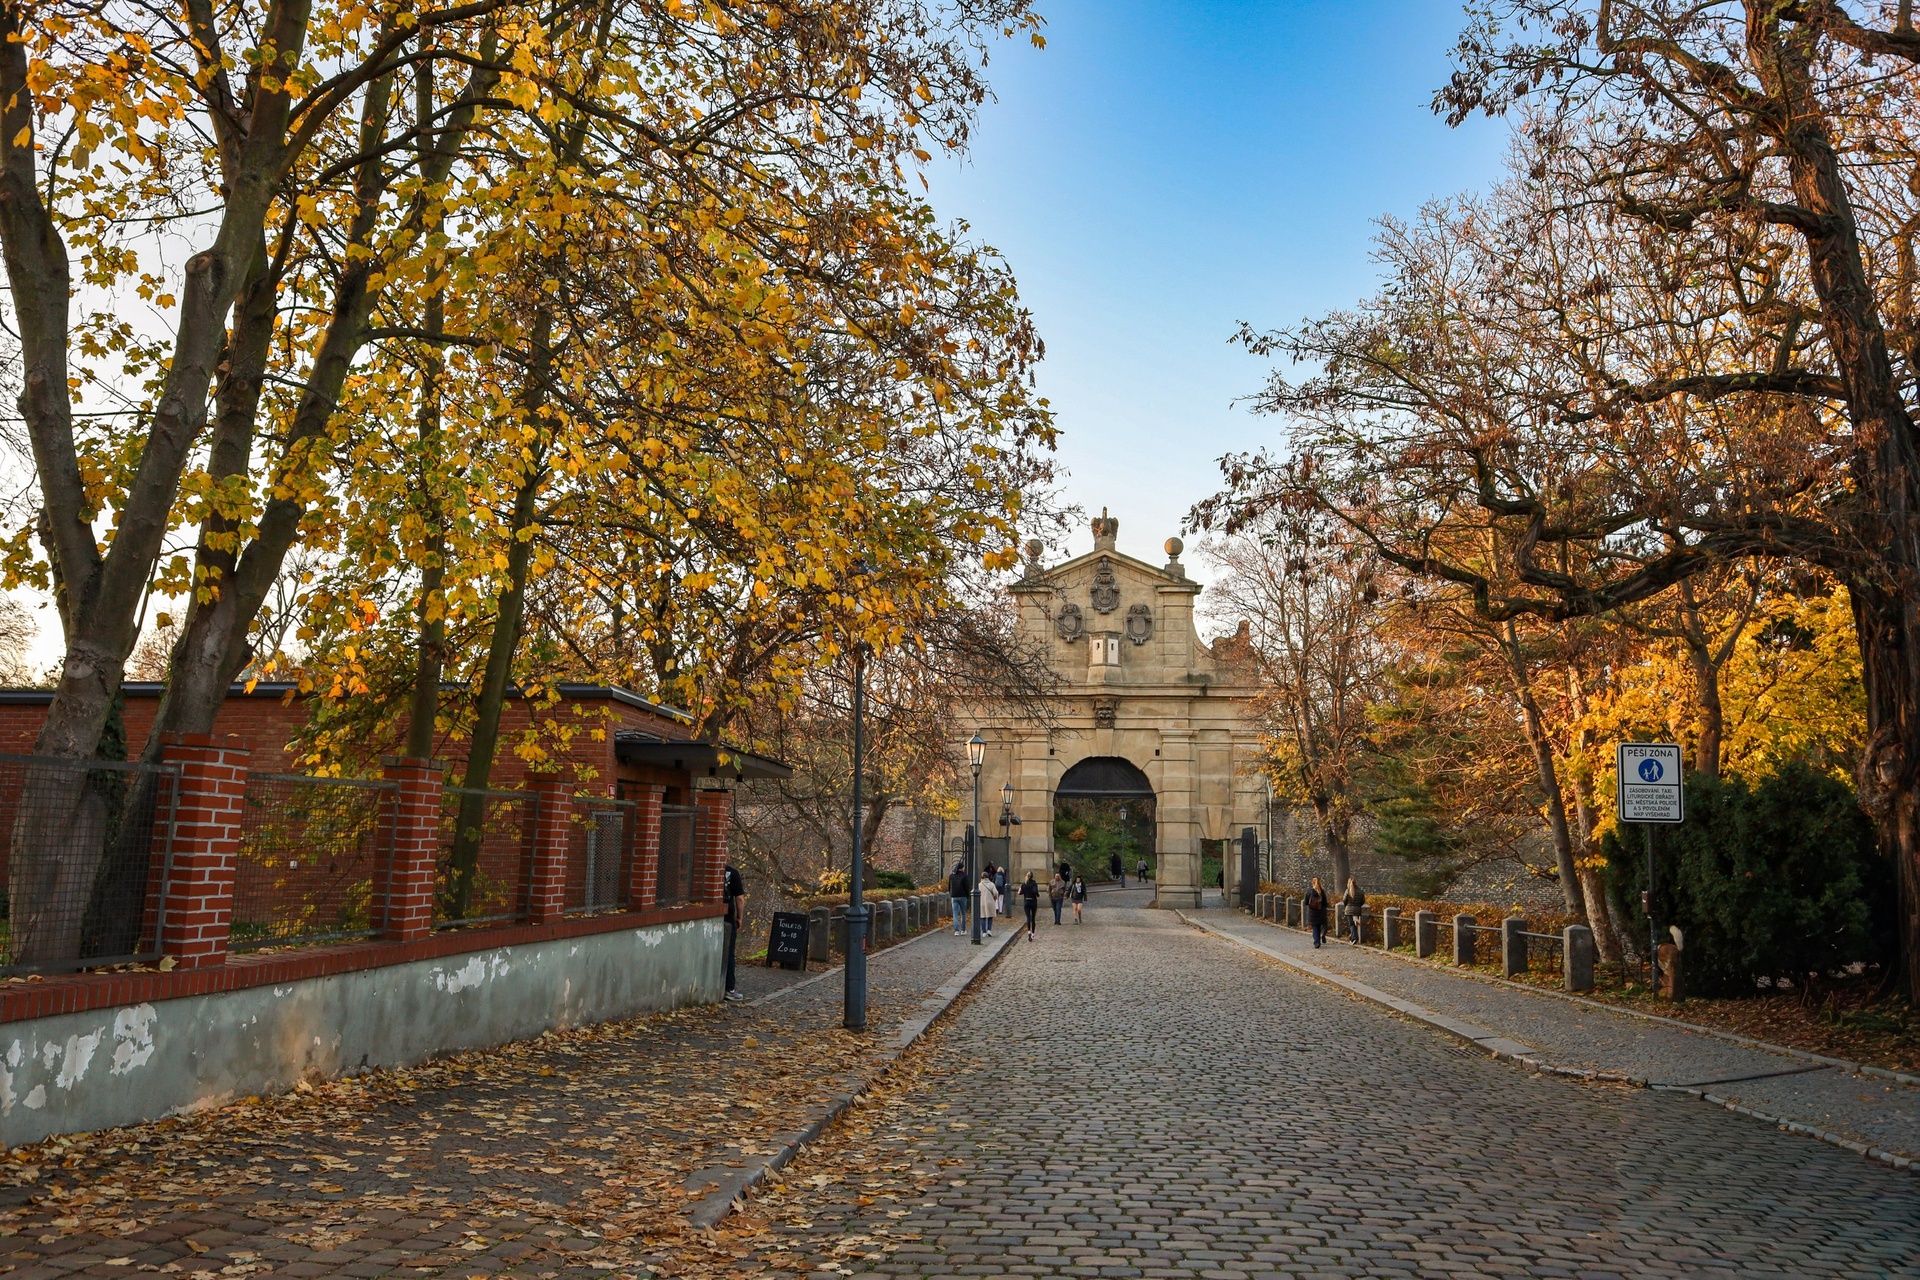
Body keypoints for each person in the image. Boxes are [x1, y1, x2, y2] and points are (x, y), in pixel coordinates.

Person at [722, 861, 747, 1001]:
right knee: (729, 952)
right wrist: (739, 917)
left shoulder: (705, 870)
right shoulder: (733, 873)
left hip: (713, 916)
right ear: (727, 857)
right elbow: (740, 899)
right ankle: (729, 988)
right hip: (727, 917)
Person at [1305, 877, 1329, 949]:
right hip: (1321, 912)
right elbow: (1325, 903)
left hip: (1312, 912)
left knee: (1315, 927)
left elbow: (1306, 902)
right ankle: (1322, 934)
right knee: (1321, 925)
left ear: (1312, 883)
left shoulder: (1309, 891)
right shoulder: (1322, 892)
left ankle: (1317, 942)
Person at [948, 860, 971, 935]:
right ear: (961, 868)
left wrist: (951, 893)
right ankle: (963, 930)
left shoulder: (951, 876)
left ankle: (956, 930)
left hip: (954, 896)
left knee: (955, 913)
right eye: (963, 867)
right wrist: (968, 895)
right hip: (963, 896)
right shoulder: (964, 876)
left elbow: (949, 887)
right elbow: (967, 887)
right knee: (963, 913)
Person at [1342, 876, 1367, 945]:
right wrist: (1358, 905)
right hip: (1357, 910)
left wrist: (1346, 905)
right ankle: (1352, 936)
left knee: (1351, 925)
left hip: (1349, 910)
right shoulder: (1360, 891)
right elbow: (1363, 901)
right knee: (1354, 924)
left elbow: (1344, 900)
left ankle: (1354, 938)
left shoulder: (1348, 891)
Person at [978, 866, 1000, 937]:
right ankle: (989, 930)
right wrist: (995, 898)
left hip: (982, 903)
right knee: (990, 917)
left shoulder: (979, 885)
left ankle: (984, 932)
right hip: (990, 902)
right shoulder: (991, 884)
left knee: (982, 917)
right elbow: (996, 893)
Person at [1020, 872, 1041, 940]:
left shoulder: (1024, 884)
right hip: (1033, 901)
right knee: (1033, 918)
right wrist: (1037, 895)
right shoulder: (1034, 883)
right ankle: (1033, 933)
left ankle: (1029, 931)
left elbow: (1020, 892)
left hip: (1026, 901)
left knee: (1028, 917)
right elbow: (1035, 891)